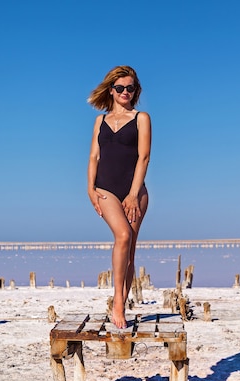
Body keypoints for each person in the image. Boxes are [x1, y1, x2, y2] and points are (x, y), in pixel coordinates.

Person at [87, 65, 151, 329]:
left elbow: (144, 157)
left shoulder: (141, 118)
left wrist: (134, 194)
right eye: (120, 87)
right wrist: (90, 188)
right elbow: (94, 156)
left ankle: (122, 304)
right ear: (111, 90)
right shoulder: (100, 121)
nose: (125, 92)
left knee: (130, 254)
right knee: (122, 236)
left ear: (135, 91)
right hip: (105, 189)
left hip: (135, 191)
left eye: (130, 88)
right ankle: (117, 303)